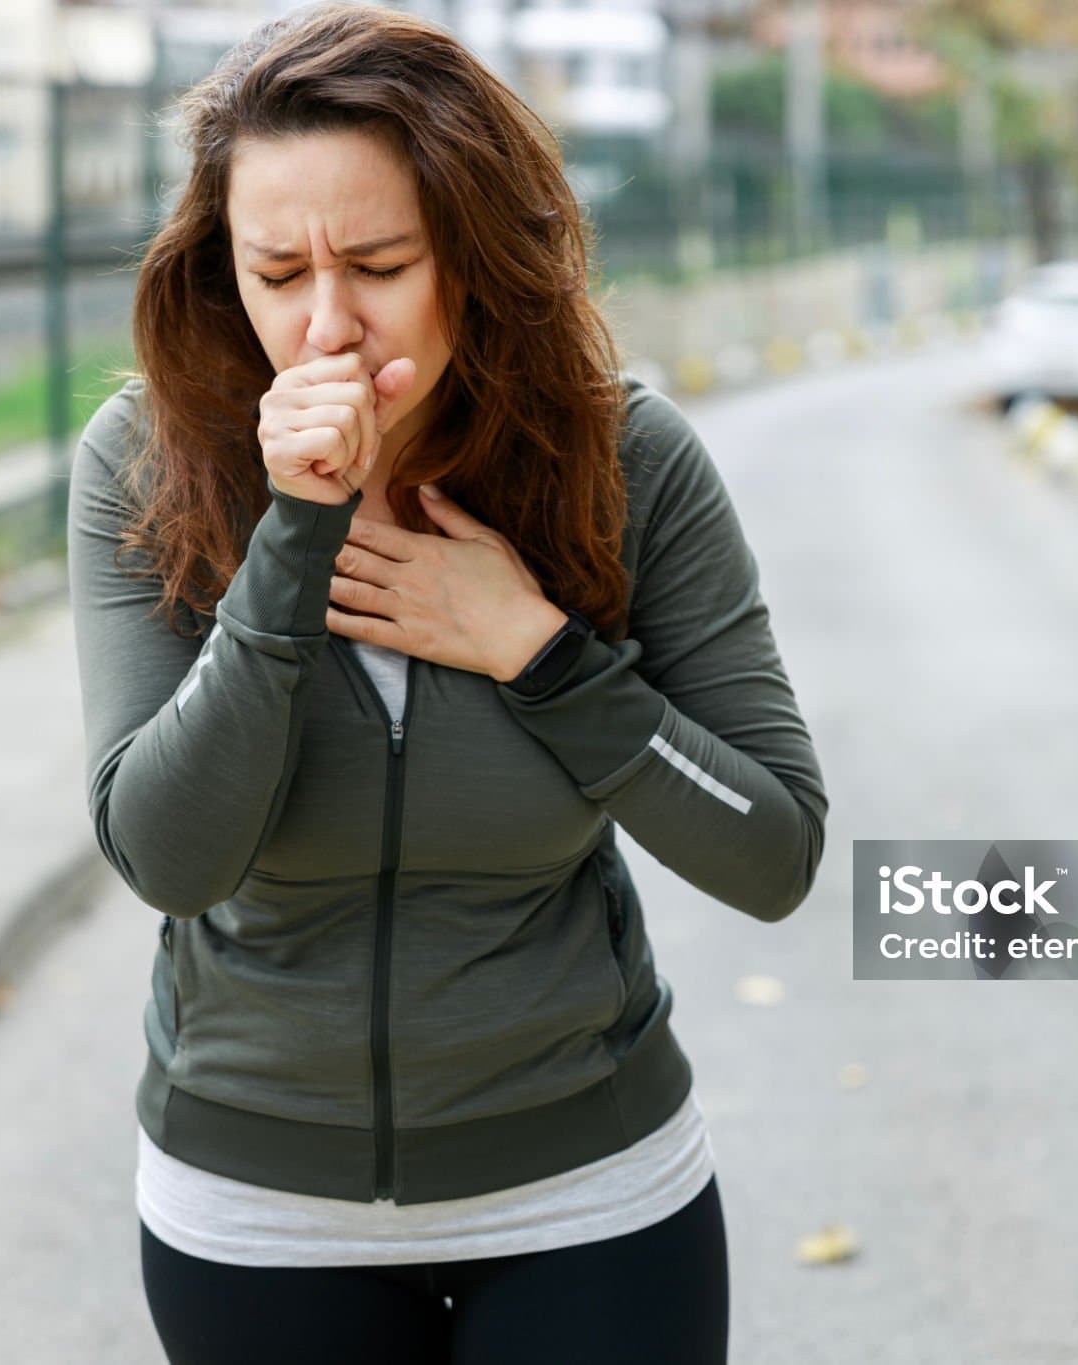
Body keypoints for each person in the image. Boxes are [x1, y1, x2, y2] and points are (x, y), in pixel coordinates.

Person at [64, 4, 829, 1361]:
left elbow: (773, 850)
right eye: (275, 270)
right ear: (217, 268)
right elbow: (170, 852)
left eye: (377, 262)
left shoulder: (629, 461)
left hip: (593, 1198)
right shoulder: (149, 462)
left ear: (472, 257)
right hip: (257, 1215)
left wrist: (539, 652)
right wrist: (296, 530)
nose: (326, 322)